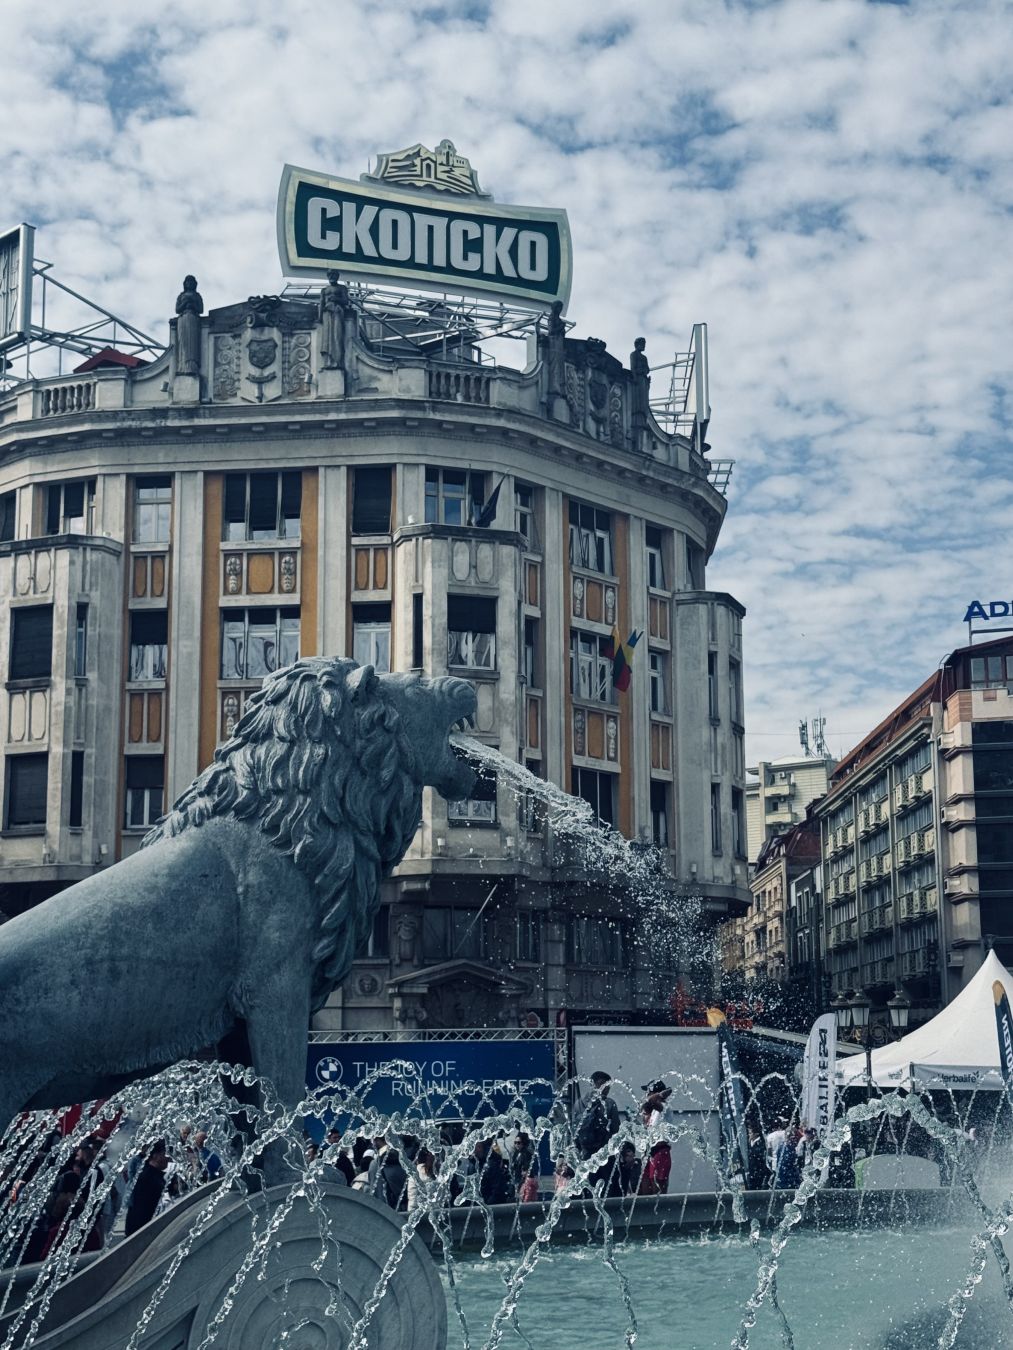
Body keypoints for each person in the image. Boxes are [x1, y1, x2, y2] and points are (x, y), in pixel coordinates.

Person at [575, 1071, 621, 1187]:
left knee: (589, 1186)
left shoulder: (579, 1103)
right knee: (607, 1187)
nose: (607, 1089)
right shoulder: (609, 1103)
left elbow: (574, 1129)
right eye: (606, 1085)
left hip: (586, 1153)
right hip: (604, 1153)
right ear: (598, 1084)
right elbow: (616, 1130)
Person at [125, 1140, 170, 1237]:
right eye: (165, 1154)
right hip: (141, 1234)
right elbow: (141, 1211)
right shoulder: (148, 1178)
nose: (168, 1157)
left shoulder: (152, 1175)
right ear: (155, 1155)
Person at [509, 1131, 539, 1202]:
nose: (516, 1145)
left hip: (525, 1181)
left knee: (524, 1198)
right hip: (517, 1179)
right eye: (515, 1142)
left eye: (519, 1143)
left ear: (523, 1143)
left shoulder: (526, 1154)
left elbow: (527, 1166)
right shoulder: (516, 1153)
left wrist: (524, 1170)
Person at [746, 1122, 770, 1190]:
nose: (749, 1135)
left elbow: (759, 1157)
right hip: (752, 1172)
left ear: (756, 1134)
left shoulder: (760, 1144)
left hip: (757, 1172)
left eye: (750, 1133)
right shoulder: (750, 1143)